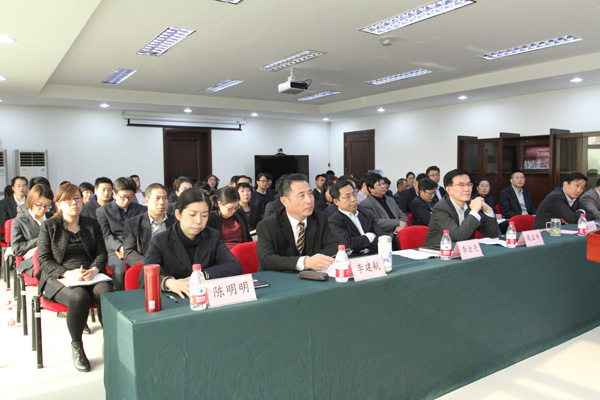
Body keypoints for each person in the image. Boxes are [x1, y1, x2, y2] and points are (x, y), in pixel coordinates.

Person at [36, 183, 114, 372]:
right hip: (59, 276)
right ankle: (77, 346)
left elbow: (101, 253)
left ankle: (111, 341)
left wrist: (94, 270)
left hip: (89, 274)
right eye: (68, 200)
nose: (74, 203)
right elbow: (44, 259)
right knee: (80, 297)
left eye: (77, 198)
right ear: (58, 204)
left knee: (106, 293)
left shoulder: (91, 224)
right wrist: (67, 273)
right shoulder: (49, 226)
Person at [142, 189, 242, 296]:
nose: (199, 221)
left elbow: (234, 266)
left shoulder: (212, 236)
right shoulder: (160, 241)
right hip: (175, 299)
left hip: (204, 296)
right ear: (178, 214)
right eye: (192, 215)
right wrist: (169, 282)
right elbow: (144, 277)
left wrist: (202, 275)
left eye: (204, 215)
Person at [256, 173, 338, 272]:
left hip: (313, 276)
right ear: (285, 201)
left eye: (310, 193)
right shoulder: (267, 225)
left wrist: (313, 262)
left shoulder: (322, 218)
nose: (309, 200)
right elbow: (266, 259)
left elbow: (334, 245)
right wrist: (305, 262)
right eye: (301, 195)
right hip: (279, 277)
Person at [423, 169, 499, 247]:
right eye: (461, 185)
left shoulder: (470, 205)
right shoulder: (440, 209)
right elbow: (459, 236)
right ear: (449, 190)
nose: (467, 189)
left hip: (464, 251)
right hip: (438, 251)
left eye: (469, 184)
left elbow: (493, 234)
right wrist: (474, 211)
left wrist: (488, 210)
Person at [96, 177, 147, 291]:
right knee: (120, 271)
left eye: (130, 196)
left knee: (146, 266)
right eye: (123, 197)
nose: (127, 200)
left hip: (136, 248)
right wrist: (120, 247)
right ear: (114, 194)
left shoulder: (141, 210)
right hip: (115, 250)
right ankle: (120, 295)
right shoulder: (103, 211)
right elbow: (106, 236)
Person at [122, 183, 174, 268]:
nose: (161, 202)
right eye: (157, 198)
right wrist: (149, 264)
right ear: (146, 201)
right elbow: (129, 252)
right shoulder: (133, 224)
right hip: (146, 268)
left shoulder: (176, 222)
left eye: (165, 198)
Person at [328, 180, 385, 256]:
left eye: (354, 194)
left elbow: (381, 237)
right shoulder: (335, 220)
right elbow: (349, 244)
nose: (353, 199)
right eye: (347, 197)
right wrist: (369, 236)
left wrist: (360, 242)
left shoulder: (366, 214)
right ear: (336, 201)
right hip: (354, 259)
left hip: (375, 255)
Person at [11, 184, 54, 275]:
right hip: (32, 263)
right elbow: (17, 249)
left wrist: (38, 248)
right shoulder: (19, 221)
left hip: (54, 257)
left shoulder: (53, 218)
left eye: (47, 205)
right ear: (31, 201)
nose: (43, 209)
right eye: (39, 205)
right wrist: (42, 241)